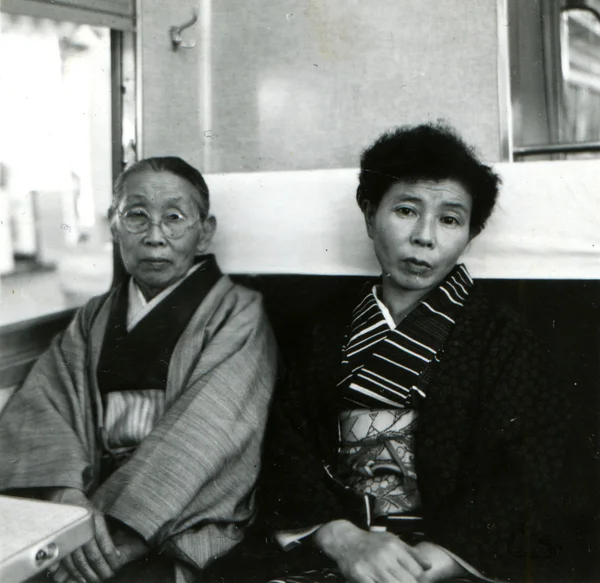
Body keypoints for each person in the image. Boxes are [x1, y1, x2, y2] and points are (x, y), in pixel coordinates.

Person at [207, 123, 576, 583]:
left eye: (449, 219)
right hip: (336, 549)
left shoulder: (502, 337)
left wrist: (438, 559)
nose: (425, 237)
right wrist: (341, 538)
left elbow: (531, 466)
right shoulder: (324, 329)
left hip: (444, 558)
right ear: (368, 214)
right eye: (406, 210)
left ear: (471, 233)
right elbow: (287, 447)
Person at [0, 157, 278, 583]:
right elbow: (44, 406)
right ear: (113, 225)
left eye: (173, 218)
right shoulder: (94, 316)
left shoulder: (239, 313)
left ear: (205, 232)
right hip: (84, 514)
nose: (154, 237)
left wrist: (114, 539)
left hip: (184, 525)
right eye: (136, 216)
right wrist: (66, 500)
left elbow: (209, 436)